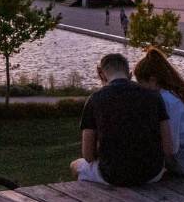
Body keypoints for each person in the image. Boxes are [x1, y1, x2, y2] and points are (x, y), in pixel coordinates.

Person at [70, 53, 169, 186]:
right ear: (129, 74)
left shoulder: (95, 100)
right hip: (152, 173)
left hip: (112, 175)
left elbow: (88, 155)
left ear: (101, 75)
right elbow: (168, 146)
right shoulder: (154, 96)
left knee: (76, 165)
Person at [134, 47, 184, 176]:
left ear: (153, 80)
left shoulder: (168, 101)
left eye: (141, 83)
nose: (141, 89)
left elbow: (170, 148)